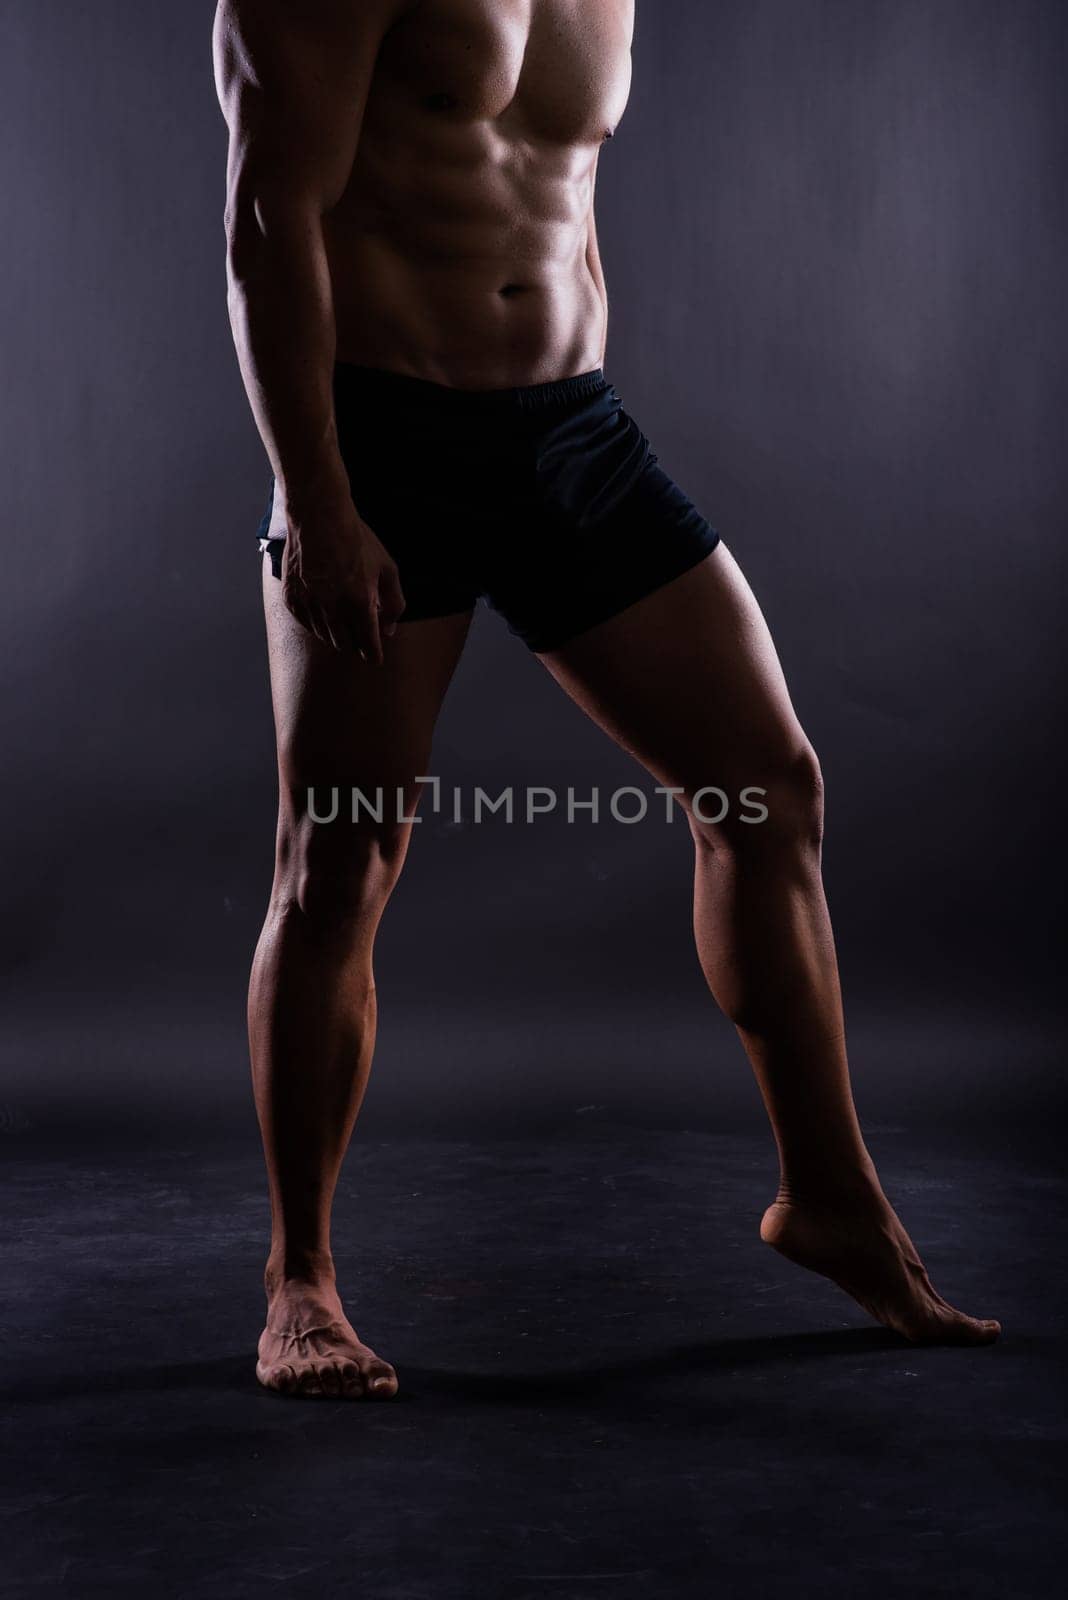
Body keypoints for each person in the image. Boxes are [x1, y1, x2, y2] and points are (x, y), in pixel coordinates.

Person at [213, 0, 999, 1400]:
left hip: (570, 429)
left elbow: (545, 189)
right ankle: (300, 1284)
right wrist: (322, 501)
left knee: (769, 793)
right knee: (340, 855)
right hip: (383, 436)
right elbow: (271, 223)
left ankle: (829, 1199)